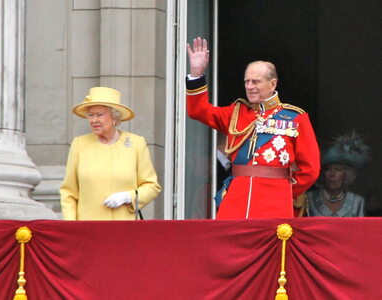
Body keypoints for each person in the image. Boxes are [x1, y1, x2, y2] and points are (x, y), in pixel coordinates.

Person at [186, 37, 320, 219]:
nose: (249, 87)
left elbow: (310, 170)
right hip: (235, 204)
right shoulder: (236, 113)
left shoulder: (296, 118)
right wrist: (196, 73)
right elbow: (198, 111)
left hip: (275, 206)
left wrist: (282, 192)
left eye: (255, 82)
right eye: (246, 82)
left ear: (273, 84)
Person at [60, 86, 161, 220]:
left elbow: (152, 186)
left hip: (123, 229)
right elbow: (69, 192)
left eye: (100, 115)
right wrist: (71, 226)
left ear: (115, 117)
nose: (94, 120)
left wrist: (128, 197)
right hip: (88, 230)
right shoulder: (80, 144)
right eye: (90, 115)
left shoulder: (136, 144)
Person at [307, 132, 369, 217]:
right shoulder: (309, 199)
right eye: (328, 169)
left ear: (346, 174)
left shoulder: (357, 202)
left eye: (338, 170)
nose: (332, 174)